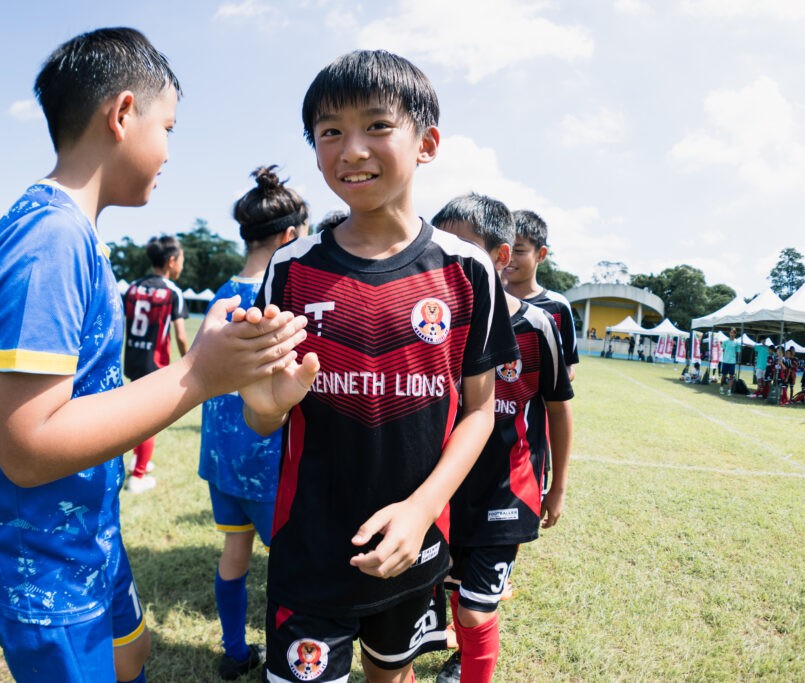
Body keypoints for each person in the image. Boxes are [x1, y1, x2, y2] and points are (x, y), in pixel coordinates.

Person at [0, 28, 308, 683]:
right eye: (168, 127)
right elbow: (27, 446)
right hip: (42, 562)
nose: (171, 150)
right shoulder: (50, 240)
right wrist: (199, 373)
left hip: (84, 537)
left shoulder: (70, 233)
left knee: (132, 654)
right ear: (121, 115)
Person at [241, 50, 518, 683]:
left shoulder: (467, 270)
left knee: (392, 674)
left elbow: (478, 412)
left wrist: (422, 509)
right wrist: (270, 401)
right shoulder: (288, 272)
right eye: (330, 131)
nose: (352, 150)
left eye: (377, 125)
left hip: (414, 547)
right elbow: (260, 420)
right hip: (309, 550)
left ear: (428, 142)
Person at [430, 193, 573, 683]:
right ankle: (461, 658)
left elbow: (558, 407)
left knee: (474, 610)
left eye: (463, 246)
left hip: (508, 491)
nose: (451, 257)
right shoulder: (435, 323)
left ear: (501, 256)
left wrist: (556, 487)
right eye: (442, 244)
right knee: (455, 591)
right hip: (444, 489)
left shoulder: (538, 326)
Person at [198, 165, 309, 680]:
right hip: (269, 464)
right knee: (292, 569)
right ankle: (292, 661)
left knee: (234, 553)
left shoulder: (220, 293)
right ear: (290, 236)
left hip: (221, 461)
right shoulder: (280, 296)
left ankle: (235, 651)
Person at [122, 235, 189, 493]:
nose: (182, 265)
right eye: (181, 260)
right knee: (148, 420)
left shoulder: (132, 287)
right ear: (171, 261)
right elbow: (182, 336)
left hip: (133, 360)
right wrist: (188, 364)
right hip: (155, 363)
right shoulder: (172, 292)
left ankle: (139, 461)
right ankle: (137, 476)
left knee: (136, 413)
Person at [502, 210, 578, 381]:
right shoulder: (488, 298)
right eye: (505, 249)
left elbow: (568, 368)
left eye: (519, 251)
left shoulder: (558, 306)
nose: (509, 258)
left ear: (541, 254)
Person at [719, 328, 741, 396]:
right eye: (731, 333)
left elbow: (738, 352)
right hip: (725, 361)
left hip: (732, 362)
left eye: (733, 333)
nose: (732, 334)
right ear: (729, 333)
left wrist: (738, 360)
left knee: (731, 376)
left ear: (735, 334)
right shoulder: (725, 341)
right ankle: (721, 387)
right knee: (724, 375)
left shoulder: (737, 342)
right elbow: (723, 348)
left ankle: (729, 390)